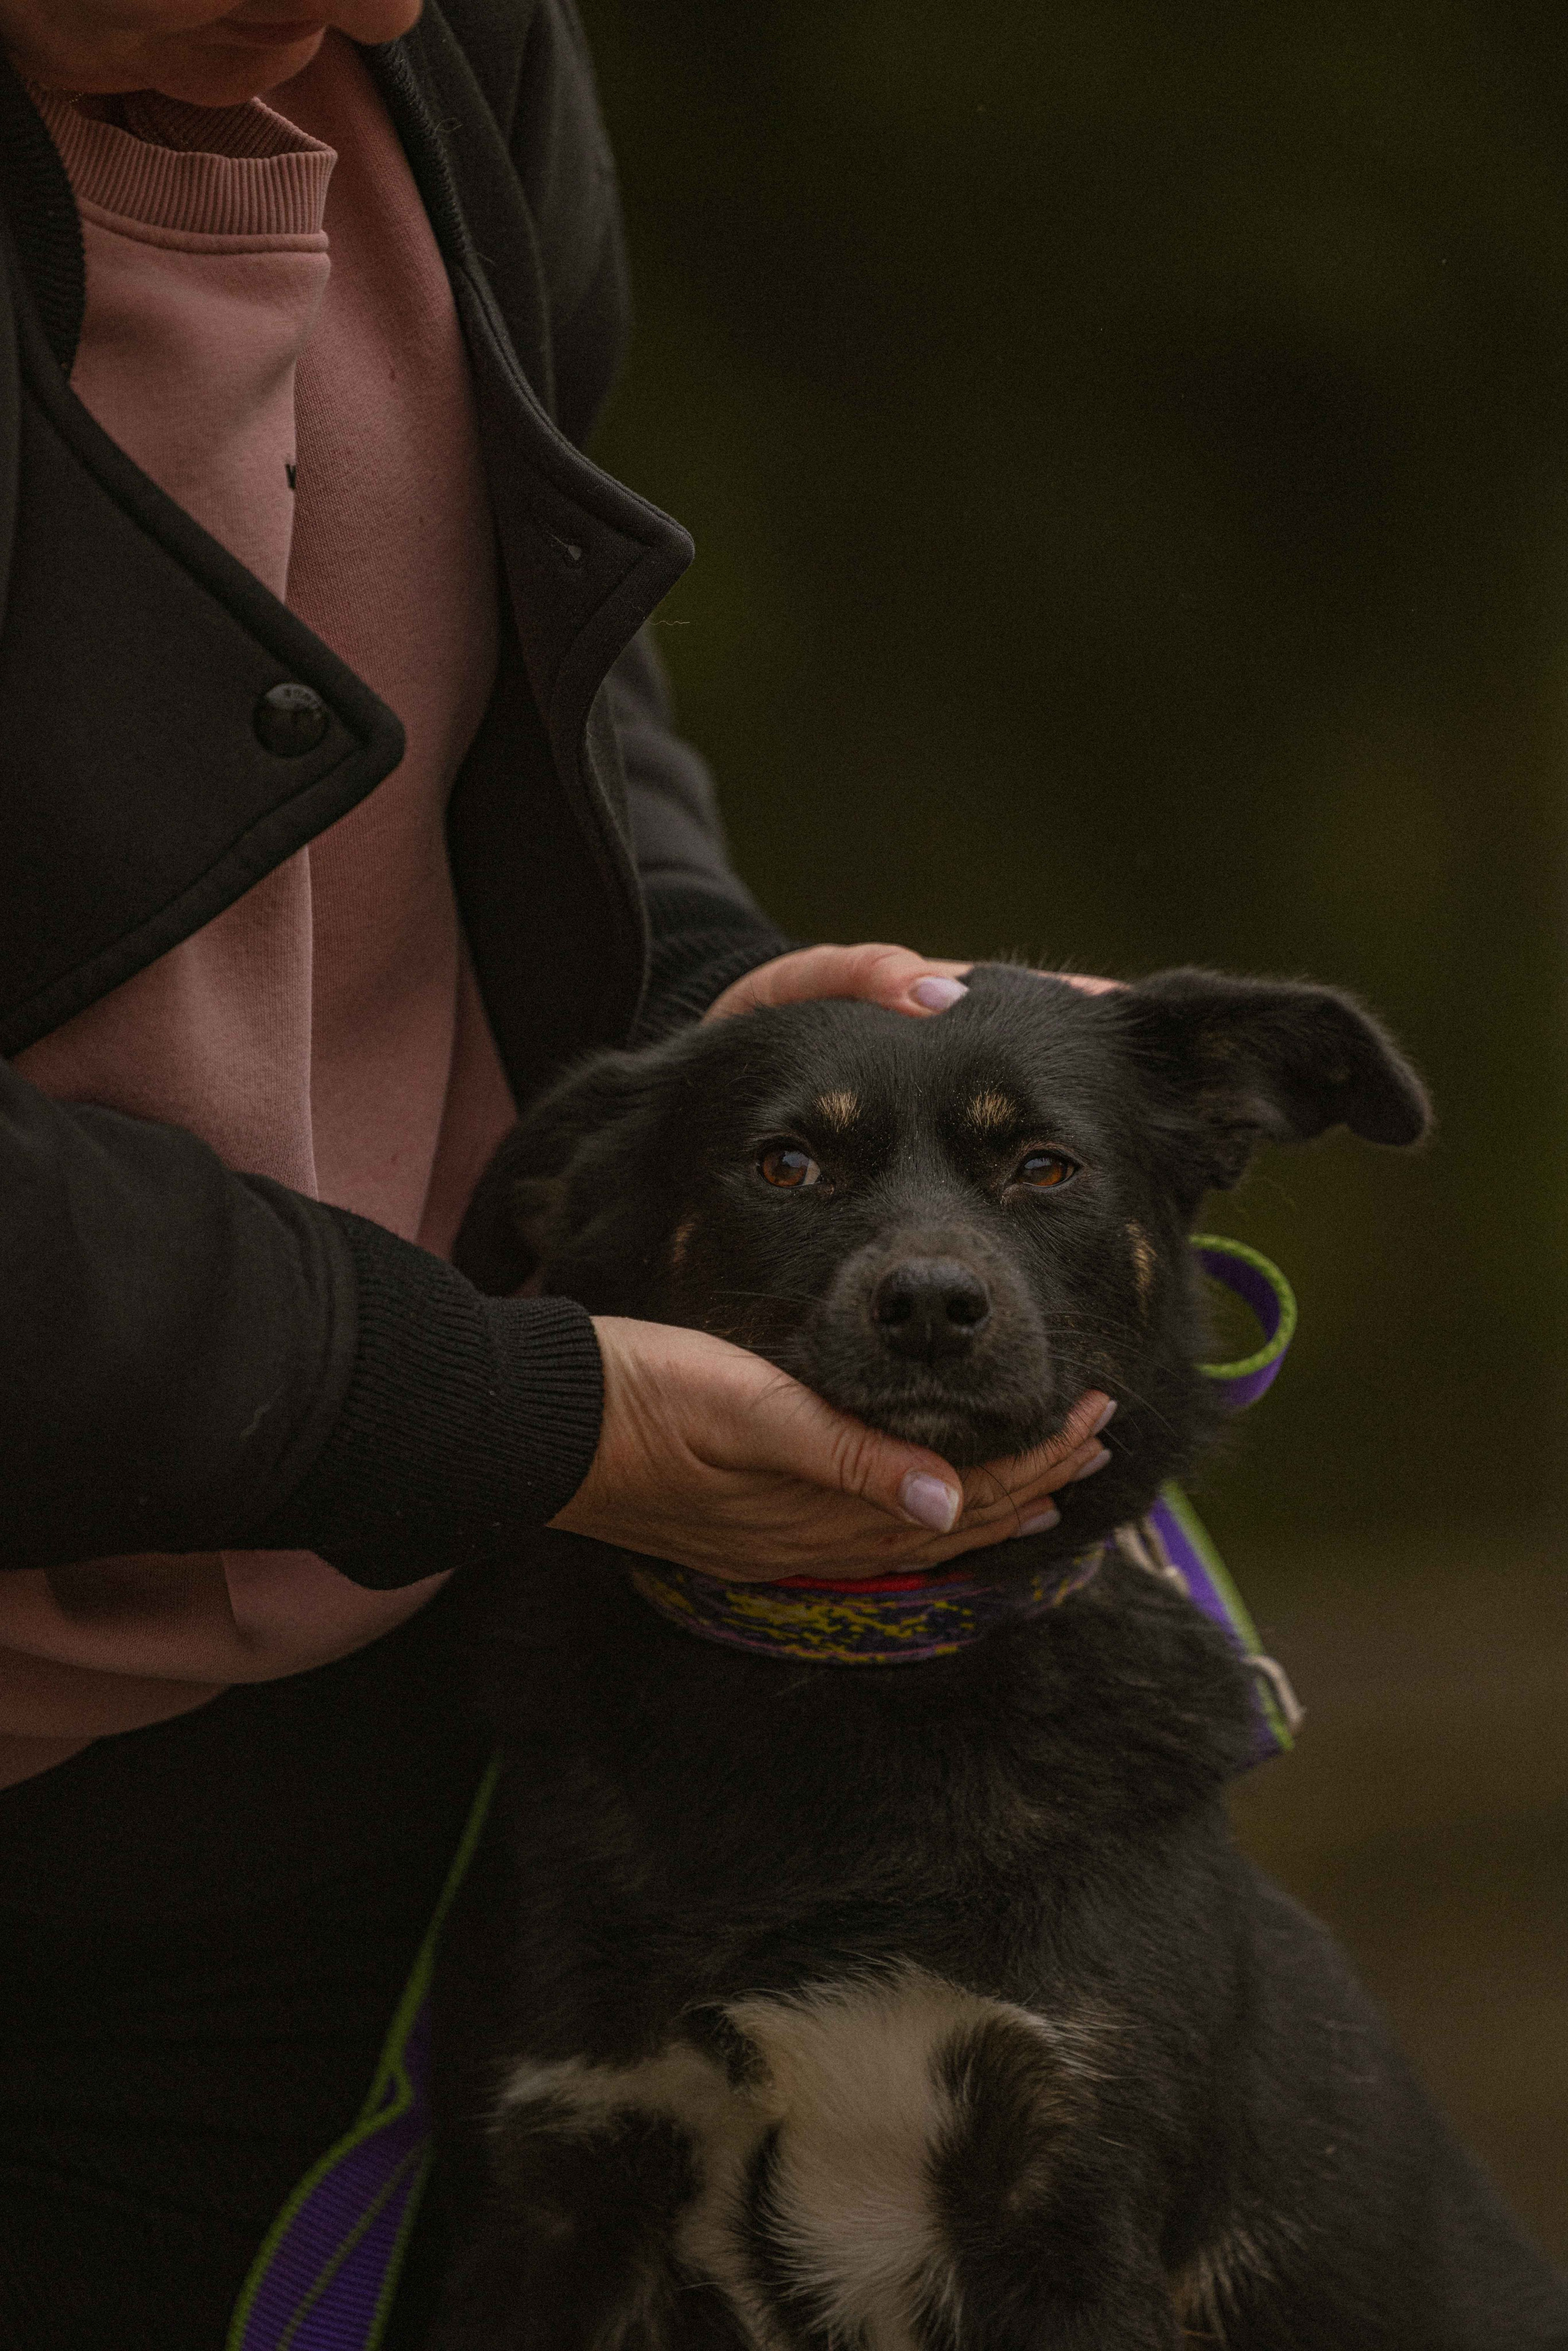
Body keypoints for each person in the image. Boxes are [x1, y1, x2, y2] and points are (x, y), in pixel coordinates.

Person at [0, 4, 1117, 2341]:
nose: (406, 15)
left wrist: (705, 1022)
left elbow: (555, 673)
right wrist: (531, 1418)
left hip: (347, 1771)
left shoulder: (438, 43)